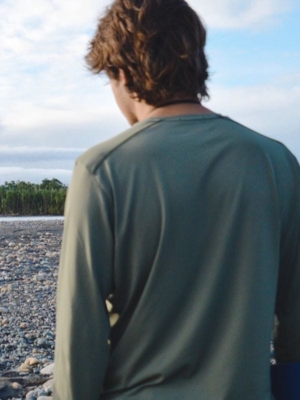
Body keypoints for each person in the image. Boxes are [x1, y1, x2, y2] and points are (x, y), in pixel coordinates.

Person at [53, 0, 300, 399]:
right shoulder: (275, 162)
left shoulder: (101, 170)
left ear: (121, 72)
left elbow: (80, 333)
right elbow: (295, 319)